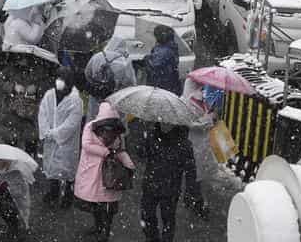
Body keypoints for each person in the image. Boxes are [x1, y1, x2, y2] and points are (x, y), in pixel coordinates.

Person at [75, 102, 135, 242]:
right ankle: (98, 228)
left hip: (109, 174)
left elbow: (121, 150)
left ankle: (105, 233)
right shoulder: (90, 127)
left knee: (107, 207)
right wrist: (106, 152)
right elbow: (86, 145)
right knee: (96, 204)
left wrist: (129, 164)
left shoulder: (117, 131)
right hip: (94, 173)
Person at [37, 66, 84, 206]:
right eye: (58, 78)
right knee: (51, 167)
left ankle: (69, 194)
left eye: (63, 79)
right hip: (51, 140)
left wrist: (55, 134)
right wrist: (46, 132)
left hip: (67, 142)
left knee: (68, 169)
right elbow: (42, 114)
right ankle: (53, 192)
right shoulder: (49, 95)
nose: (59, 82)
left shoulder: (76, 100)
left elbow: (72, 123)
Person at [140, 123, 193, 242]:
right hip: (151, 184)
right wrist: (144, 140)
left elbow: (190, 169)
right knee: (147, 215)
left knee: (168, 219)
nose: (165, 124)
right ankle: (152, 238)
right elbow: (141, 153)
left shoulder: (184, 143)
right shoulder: (152, 134)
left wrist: (190, 191)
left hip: (170, 188)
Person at [85, 36, 137, 112]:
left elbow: (87, 73)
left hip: (96, 94)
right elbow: (130, 82)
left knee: (95, 117)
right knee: (114, 118)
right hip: (116, 97)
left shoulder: (97, 56)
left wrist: (96, 83)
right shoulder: (125, 61)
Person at [146, 24, 183, 94]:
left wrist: (147, 60)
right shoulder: (170, 46)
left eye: (156, 36)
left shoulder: (165, 50)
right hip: (171, 83)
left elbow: (155, 65)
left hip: (163, 84)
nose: (155, 38)